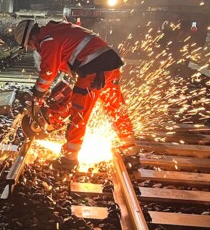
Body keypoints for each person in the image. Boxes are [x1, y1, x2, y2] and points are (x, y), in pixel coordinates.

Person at [13, 19, 130, 170]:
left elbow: (48, 73)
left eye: (29, 45)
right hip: (109, 66)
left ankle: (69, 159)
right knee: (115, 109)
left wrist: (37, 93)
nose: (32, 48)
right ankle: (130, 150)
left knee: (79, 115)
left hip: (93, 71)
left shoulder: (47, 40)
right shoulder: (57, 30)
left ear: (31, 38)